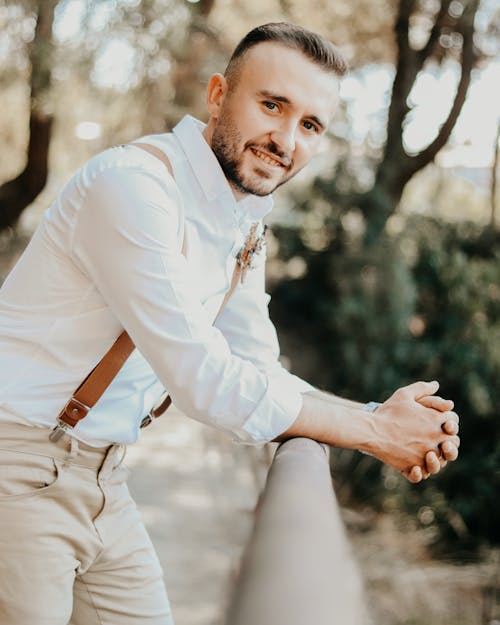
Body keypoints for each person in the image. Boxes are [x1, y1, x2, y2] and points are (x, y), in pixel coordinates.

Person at [0, 22, 459, 625]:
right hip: (20, 469)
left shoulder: (243, 215)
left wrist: (376, 416)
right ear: (217, 95)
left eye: (310, 125)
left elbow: (255, 368)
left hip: (104, 475)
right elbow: (203, 378)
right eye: (273, 105)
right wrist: (373, 435)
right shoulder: (133, 187)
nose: (286, 139)